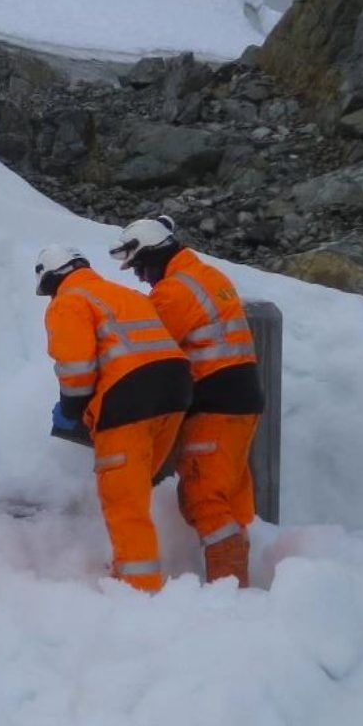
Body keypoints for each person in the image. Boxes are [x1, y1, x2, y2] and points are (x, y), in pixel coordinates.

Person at [108, 217, 263, 585]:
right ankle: (243, 588)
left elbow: (145, 353)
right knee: (228, 499)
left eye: (141, 268)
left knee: (203, 497)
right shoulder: (208, 276)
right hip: (241, 403)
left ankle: (231, 591)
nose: (142, 278)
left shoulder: (174, 292)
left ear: (154, 255)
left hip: (215, 405)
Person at [36, 244, 190, 592]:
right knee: (135, 488)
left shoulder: (69, 300)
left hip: (129, 400)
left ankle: (140, 591)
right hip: (177, 391)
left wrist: (71, 411)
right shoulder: (124, 294)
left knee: (125, 502)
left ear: (53, 279)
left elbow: (75, 368)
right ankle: (130, 571)